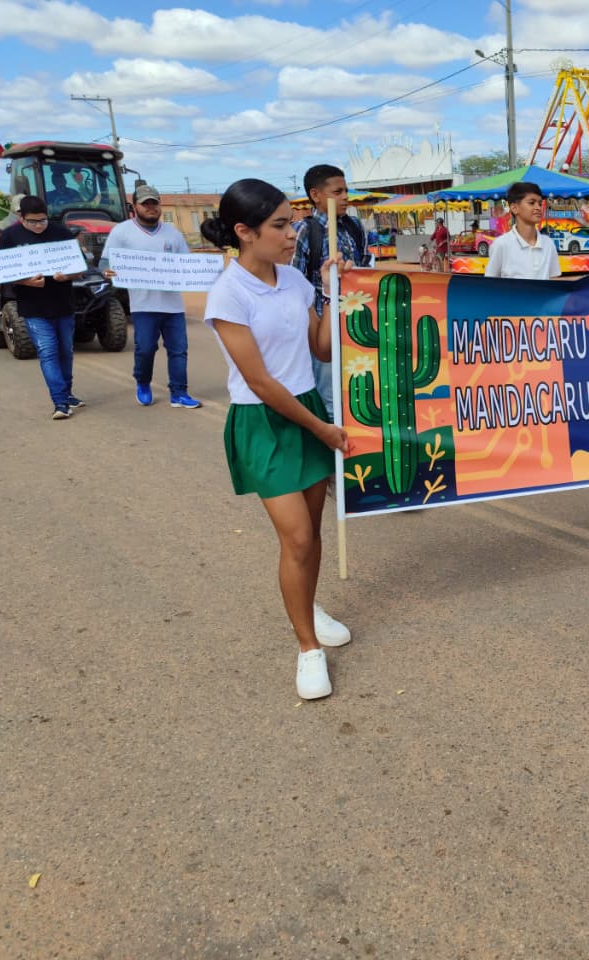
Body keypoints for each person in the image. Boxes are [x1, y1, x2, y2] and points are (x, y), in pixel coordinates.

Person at [200, 179, 354, 700]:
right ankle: (308, 649)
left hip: (307, 407)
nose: (293, 234)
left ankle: (307, 602)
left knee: (310, 530)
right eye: (281, 225)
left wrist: (331, 294)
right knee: (298, 538)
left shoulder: (295, 281)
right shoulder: (227, 294)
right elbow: (261, 381)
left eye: (293, 223)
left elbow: (323, 350)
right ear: (244, 232)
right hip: (264, 420)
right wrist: (322, 429)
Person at [104, 184, 202, 409]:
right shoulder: (122, 231)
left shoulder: (173, 233)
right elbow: (106, 261)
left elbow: (186, 263)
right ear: (135, 207)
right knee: (146, 348)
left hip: (173, 305)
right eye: (145, 204)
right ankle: (143, 382)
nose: (151, 208)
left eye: (154, 203)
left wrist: (197, 274)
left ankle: (179, 392)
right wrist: (108, 271)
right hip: (143, 305)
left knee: (179, 350)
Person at [291, 164, 369, 421]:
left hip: (356, 327)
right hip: (323, 331)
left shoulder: (355, 227)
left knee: (357, 395)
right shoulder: (305, 231)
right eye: (337, 192)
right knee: (331, 401)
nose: (345, 197)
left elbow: (366, 270)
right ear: (316, 195)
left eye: (346, 191)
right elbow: (296, 284)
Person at [0, 195, 86, 419]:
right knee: (48, 352)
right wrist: (26, 282)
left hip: (63, 303)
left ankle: (67, 393)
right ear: (20, 217)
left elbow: (80, 267)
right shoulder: (9, 236)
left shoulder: (61, 233)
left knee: (66, 351)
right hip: (33, 307)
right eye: (32, 222)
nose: (38, 226)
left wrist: (68, 276)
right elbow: (3, 272)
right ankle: (60, 402)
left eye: (43, 221)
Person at [485, 181, 561, 280]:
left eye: (539, 203)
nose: (538, 207)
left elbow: (554, 280)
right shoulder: (501, 245)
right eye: (531, 203)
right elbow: (490, 284)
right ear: (514, 208)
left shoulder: (548, 244)